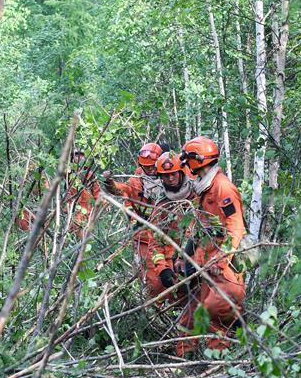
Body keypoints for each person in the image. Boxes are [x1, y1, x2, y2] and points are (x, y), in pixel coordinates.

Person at [177, 136, 246, 353]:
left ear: (197, 160)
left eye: (188, 161)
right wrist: (186, 258)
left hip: (223, 269)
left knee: (213, 310)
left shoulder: (222, 188)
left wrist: (221, 260)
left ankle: (220, 362)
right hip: (206, 264)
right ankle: (187, 360)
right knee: (192, 314)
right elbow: (198, 228)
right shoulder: (205, 189)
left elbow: (236, 227)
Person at [102, 143, 165, 295]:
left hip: (167, 235)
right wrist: (109, 182)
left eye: (153, 166)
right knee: (152, 278)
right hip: (144, 237)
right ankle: (155, 302)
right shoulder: (136, 182)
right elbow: (120, 189)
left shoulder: (169, 176)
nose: (151, 169)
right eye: (147, 167)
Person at [144, 151, 194, 300]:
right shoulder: (162, 206)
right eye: (166, 176)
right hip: (173, 259)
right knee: (159, 288)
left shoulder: (197, 193)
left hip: (198, 257)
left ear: (181, 172)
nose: (171, 179)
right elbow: (155, 241)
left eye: (173, 174)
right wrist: (162, 269)